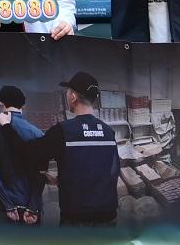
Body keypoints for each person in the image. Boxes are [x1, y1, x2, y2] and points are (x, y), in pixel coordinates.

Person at [15, 71, 122, 228]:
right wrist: (63, 181)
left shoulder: (63, 131)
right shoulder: (108, 132)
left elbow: (28, 152)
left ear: (73, 97)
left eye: (68, 92)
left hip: (77, 220)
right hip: (108, 218)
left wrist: (6, 127)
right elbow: (111, 172)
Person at [0, 83, 46, 222]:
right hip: (31, 210)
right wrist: (33, 207)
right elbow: (41, 175)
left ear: (0, 102)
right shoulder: (38, 133)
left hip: (4, 208)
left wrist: (8, 205)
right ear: (23, 104)